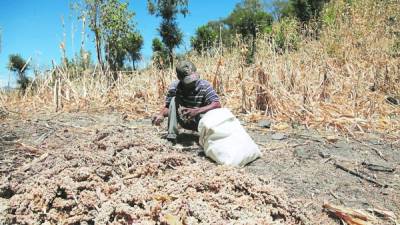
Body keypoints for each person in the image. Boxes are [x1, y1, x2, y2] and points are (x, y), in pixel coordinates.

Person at [152, 60, 221, 142]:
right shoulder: (174, 87)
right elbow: (169, 107)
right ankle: (172, 135)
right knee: (173, 99)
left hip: (201, 121)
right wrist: (161, 115)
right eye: (188, 81)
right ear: (180, 78)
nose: (192, 83)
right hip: (184, 119)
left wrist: (196, 111)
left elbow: (217, 104)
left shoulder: (204, 85)